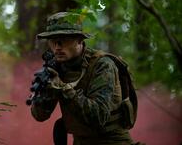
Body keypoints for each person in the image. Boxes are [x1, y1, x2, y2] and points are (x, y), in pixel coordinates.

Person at [30, 12, 138, 145]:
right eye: (53, 40)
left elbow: (98, 117)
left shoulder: (102, 65)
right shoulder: (56, 67)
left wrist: (63, 89)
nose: (57, 46)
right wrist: (45, 93)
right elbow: (39, 116)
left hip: (112, 141)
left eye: (64, 39)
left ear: (80, 40)